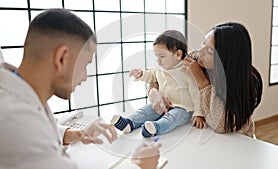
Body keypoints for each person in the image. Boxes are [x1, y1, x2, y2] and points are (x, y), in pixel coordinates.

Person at [0, 9, 161, 169]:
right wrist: (140, 167)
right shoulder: (16, 121)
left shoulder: (19, 93)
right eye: (84, 65)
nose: (84, 77)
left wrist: (77, 134)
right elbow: (33, 137)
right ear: (61, 58)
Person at [149, 22, 263, 137]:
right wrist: (154, 92)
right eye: (203, 43)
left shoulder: (248, 83)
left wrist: (202, 81)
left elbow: (221, 126)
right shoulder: (195, 59)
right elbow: (160, 73)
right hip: (203, 135)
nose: (200, 51)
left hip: (238, 141)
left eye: (209, 51)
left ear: (225, 59)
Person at [111, 30, 205, 138]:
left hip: (182, 108)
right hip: (163, 104)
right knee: (146, 110)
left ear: (178, 54)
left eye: (162, 56)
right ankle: (130, 123)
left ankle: (156, 127)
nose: (158, 61)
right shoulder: (161, 68)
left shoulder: (187, 71)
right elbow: (152, 75)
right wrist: (141, 74)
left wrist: (199, 114)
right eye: (157, 57)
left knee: (172, 118)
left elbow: (196, 93)